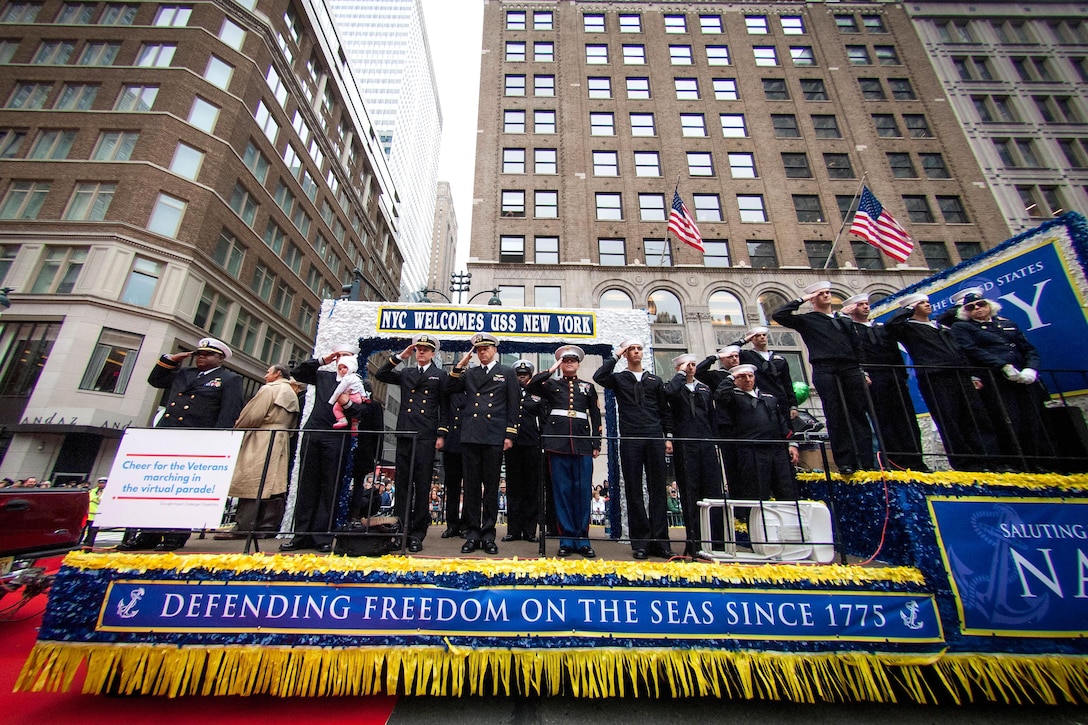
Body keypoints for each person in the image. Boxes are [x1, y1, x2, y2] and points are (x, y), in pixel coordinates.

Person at [120, 337, 244, 551]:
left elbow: (229, 411)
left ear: (220, 358)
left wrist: (219, 439)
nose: (201, 358)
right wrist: (169, 360)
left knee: (183, 490)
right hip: (168, 436)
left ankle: (175, 536)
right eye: (199, 354)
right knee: (158, 488)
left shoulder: (228, 379)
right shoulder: (185, 373)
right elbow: (156, 380)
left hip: (197, 439)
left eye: (207, 355)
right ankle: (147, 535)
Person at [886, 293, 997, 471]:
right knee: (950, 420)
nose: (927, 305)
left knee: (975, 417)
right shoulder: (908, 328)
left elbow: (959, 347)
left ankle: (989, 460)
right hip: (935, 376)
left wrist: (972, 374)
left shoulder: (941, 326)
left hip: (960, 374)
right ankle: (965, 463)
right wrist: (907, 308)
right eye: (921, 303)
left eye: (928, 302)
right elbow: (891, 325)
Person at [773, 282, 874, 475]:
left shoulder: (843, 321)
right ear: (813, 298)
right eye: (821, 293)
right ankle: (845, 461)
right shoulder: (809, 319)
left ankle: (866, 459)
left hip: (850, 368)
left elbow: (857, 346)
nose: (826, 295)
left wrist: (864, 371)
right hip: (825, 367)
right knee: (835, 415)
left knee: (858, 414)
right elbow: (780, 316)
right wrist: (802, 299)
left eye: (828, 292)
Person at [950, 288, 1052, 471]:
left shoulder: (1007, 323)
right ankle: (1015, 462)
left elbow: (1028, 349)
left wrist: (1030, 369)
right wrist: (1002, 366)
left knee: (1032, 419)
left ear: (989, 306)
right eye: (971, 307)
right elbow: (972, 350)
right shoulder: (963, 327)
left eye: (981, 304)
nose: (977, 309)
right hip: (996, 379)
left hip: (1023, 377)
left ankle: (1036, 461)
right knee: (1008, 419)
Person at [280, 343, 367, 553]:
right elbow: (298, 372)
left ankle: (322, 535)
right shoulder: (324, 377)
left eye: (346, 357)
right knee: (307, 484)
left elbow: (361, 412)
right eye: (339, 357)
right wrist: (323, 360)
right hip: (314, 433)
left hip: (337, 437)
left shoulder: (357, 383)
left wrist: (346, 404)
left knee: (331, 486)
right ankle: (300, 535)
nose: (341, 362)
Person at [593, 338, 674, 560]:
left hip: (654, 436)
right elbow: (599, 376)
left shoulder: (654, 380)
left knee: (658, 488)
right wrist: (617, 354)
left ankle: (661, 541)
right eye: (632, 349)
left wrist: (668, 437)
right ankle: (641, 542)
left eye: (639, 349)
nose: (636, 352)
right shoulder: (620, 379)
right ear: (626, 354)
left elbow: (664, 409)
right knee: (634, 490)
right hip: (630, 437)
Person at [526, 344, 602, 558]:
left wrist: (596, 444)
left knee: (582, 492)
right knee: (562, 492)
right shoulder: (551, 384)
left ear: (578, 364)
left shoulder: (587, 387)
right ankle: (567, 539)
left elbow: (595, 415)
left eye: (572, 361)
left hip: (581, 445)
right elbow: (530, 386)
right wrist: (551, 369)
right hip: (557, 444)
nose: (569, 364)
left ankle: (582, 539)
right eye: (565, 361)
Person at [374, 334, 448, 553]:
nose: (421, 352)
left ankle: (417, 533)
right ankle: (401, 530)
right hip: (405, 432)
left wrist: (441, 434)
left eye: (426, 349)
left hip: (425, 435)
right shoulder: (407, 372)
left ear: (433, 353)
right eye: (418, 349)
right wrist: (400, 356)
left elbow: (444, 406)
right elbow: (381, 374)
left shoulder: (439, 375)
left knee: (422, 484)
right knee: (403, 485)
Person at [449, 333, 520, 555]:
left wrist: (510, 434)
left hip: (493, 435)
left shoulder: (507, 372)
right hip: (471, 434)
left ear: (495, 350)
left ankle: (488, 534)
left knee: (490, 486)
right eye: (479, 349)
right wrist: (460, 364)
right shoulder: (470, 373)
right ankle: (472, 533)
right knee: (470, 487)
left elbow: (514, 404)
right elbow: (450, 387)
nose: (482, 352)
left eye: (486, 348)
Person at [841, 293, 926, 471]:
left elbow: (894, 339)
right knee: (882, 420)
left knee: (905, 419)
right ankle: (891, 461)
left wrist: (902, 376)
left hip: (893, 375)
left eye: (867, 304)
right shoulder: (849, 330)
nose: (865, 307)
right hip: (872, 377)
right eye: (860, 304)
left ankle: (915, 460)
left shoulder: (881, 327)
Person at [216, 363, 300, 541]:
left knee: (252, 481)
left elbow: (253, 415)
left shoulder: (270, 390)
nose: (265, 376)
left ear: (277, 374)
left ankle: (243, 526)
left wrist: (238, 428)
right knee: (274, 484)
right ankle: (268, 525)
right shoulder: (291, 393)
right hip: (281, 439)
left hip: (261, 437)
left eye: (268, 372)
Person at [713, 363, 800, 527]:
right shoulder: (732, 397)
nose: (747, 379)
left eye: (750, 376)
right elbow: (719, 395)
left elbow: (782, 424)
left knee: (786, 490)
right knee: (756, 492)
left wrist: (791, 443)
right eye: (742, 377)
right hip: (752, 450)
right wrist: (731, 376)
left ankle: (791, 529)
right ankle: (758, 531)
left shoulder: (768, 398)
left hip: (777, 450)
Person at [664, 353, 723, 558]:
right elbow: (668, 400)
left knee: (713, 489)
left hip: (706, 442)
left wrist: (716, 442)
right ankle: (694, 540)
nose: (690, 367)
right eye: (684, 365)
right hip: (685, 443)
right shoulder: (674, 386)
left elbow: (712, 416)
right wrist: (680, 376)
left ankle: (717, 540)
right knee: (690, 490)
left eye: (692, 365)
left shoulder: (704, 388)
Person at [503, 359, 546, 543]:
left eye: (525, 375)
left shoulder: (537, 395)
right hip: (513, 445)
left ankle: (529, 531)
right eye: (519, 375)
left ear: (530, 376)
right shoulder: (509, 393)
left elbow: (544, 420)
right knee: (513, 489)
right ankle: (513, 530)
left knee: (531, 489)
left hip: (532, 445)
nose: (522, 378)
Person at [737, 326, 798, 422]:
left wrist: (793, 405)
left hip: (781, 401)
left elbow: (787, 383)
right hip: (760, 399)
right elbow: (729, 351)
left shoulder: (779, 359)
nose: (762, 337)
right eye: (757, 336)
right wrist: (744, 340)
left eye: (764, 335)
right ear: (752, 339)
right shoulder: (747, 356)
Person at [439, 389, 466, 538]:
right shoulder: (449, 393)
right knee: (452, 488)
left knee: (470, 488)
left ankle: (466, 525)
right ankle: (452, 524)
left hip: (469, 443)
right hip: (452, 444)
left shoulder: (474, 390)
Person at [329, 356, 367, 429]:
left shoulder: (346, 379)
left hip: (351, 397)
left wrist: (332, 400)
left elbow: (338, 391)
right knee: (354, 415)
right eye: (340, 369)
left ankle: (342, 420)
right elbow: (361, 387)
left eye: (344, 367)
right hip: (358, 397)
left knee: (336, 408)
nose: (342, 370)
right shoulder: (357, 377)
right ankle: (355, 426)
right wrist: (363, 396)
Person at [82, 476, 107, 547]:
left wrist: (95, 499)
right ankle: (80, 544)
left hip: (96, 515)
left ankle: (89, 546)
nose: (101, 484)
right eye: (100, 483)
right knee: (82, 530)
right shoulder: (92, 491)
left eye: (103, 483)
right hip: (87, 514)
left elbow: (99, 500)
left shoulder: (107, 492)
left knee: (92, 532)